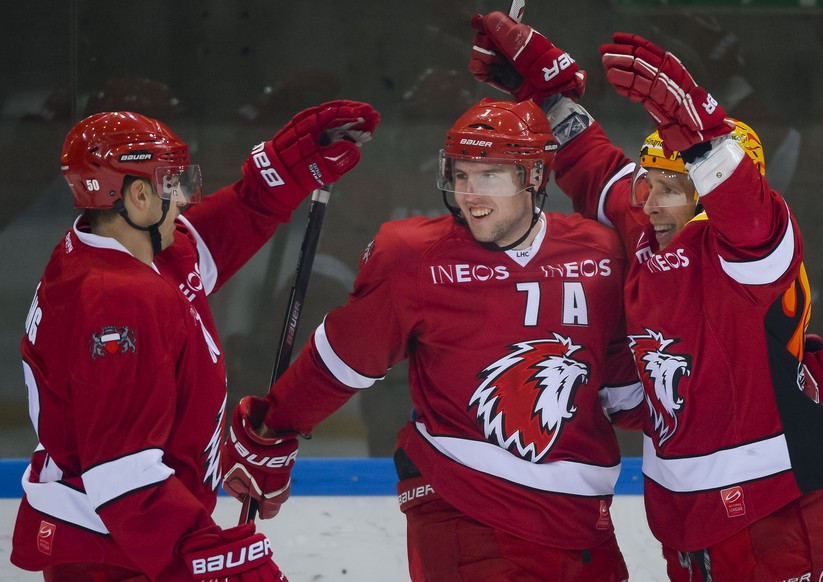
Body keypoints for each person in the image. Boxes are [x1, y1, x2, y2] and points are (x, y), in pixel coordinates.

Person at [468, 12, 823, 581]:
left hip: (779, 514)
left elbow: (749, 217)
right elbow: (595, 168)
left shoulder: (751, 254)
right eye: (647, 185)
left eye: (670, 187)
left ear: (707, 193)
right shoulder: (659, 233)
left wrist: (704, 136)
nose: (649, 203)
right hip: (686, 521)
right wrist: (545, 97)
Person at [221, 97, 645, 581]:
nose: (471, 194)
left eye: (489, 176)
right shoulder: (417, 258)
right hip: (466, 509)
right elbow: (343, 356)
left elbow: (617, 381)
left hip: (584, 523)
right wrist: (273, 427)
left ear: (534, 177)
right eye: (461, 175)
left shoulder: (599, 253)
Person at [11, 102, 379, 580]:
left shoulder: (127, 246)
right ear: (138, 195)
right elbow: (120, 475)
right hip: (116, 555)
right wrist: (208, 558)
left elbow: (214, 235)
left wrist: (282, 175)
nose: (183, 198)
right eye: (170, 183)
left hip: (141, 538)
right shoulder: (116, 302)